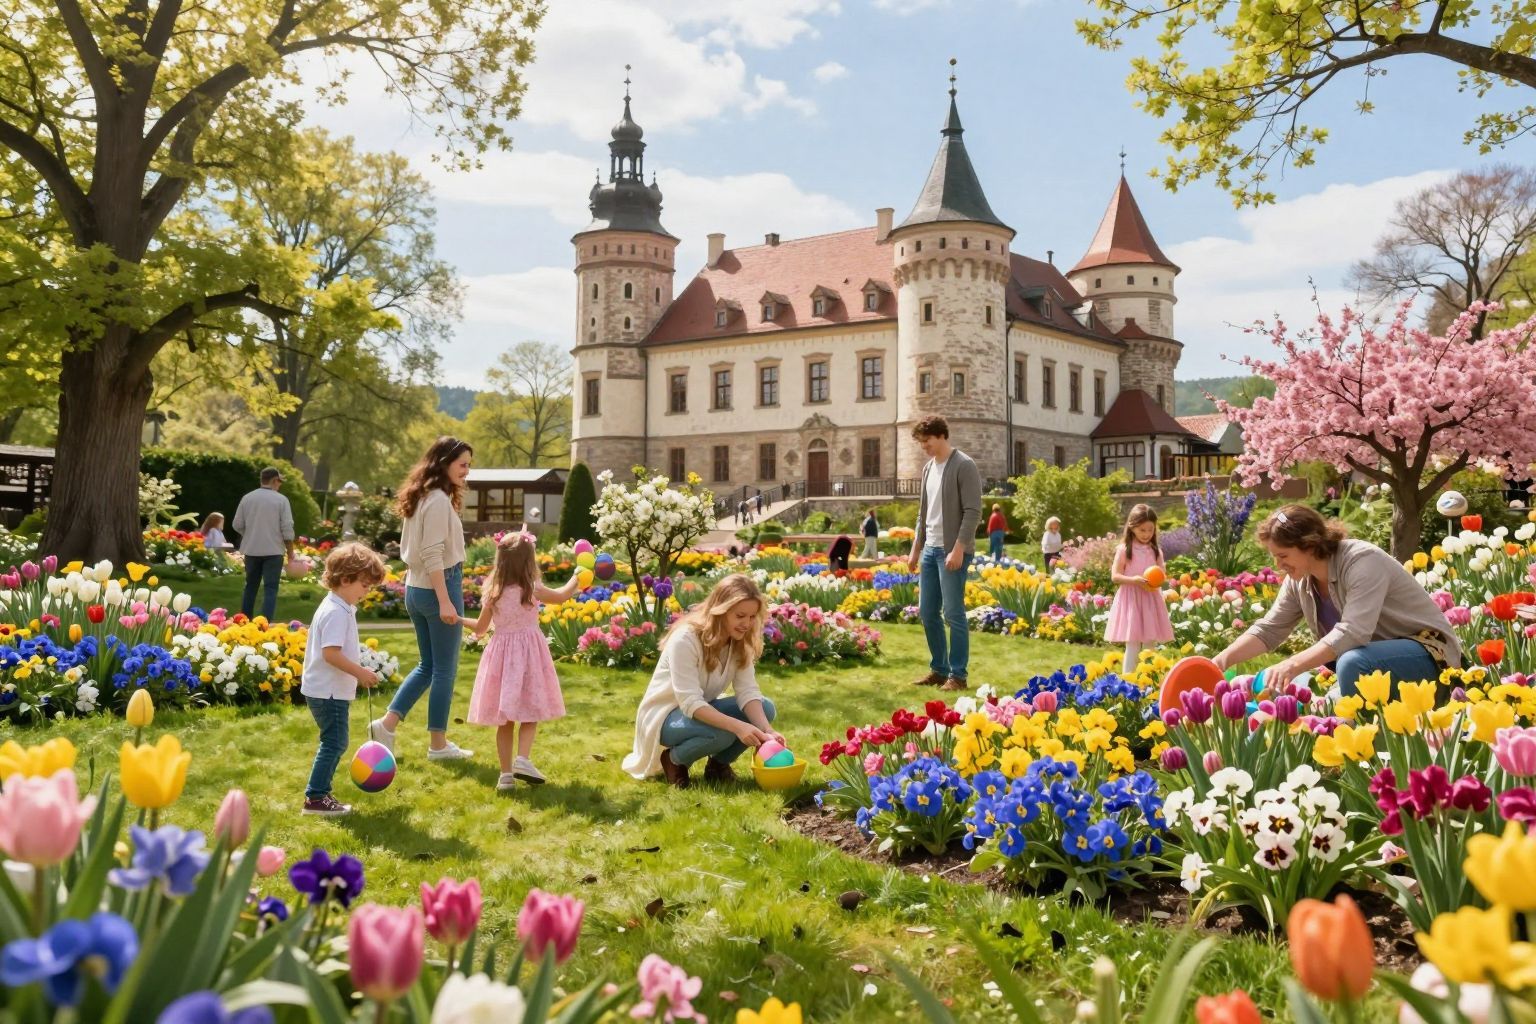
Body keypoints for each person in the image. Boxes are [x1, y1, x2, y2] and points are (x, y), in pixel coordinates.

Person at [1211, 504, 1461, 696]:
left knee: (1352, 662)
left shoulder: (1362, 562)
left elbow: (1353, 632)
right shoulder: (1300, 579)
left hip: (1430, 656)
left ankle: (1358, 735)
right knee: (1284, 684)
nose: (1278, 565)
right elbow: (1270, 629)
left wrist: (1293, 663)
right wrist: (1220, 661)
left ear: (1309, 546)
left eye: (1283, 555)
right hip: (1372, 661)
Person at [370, 436, 475, 762]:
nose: (466, 472)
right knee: (445, 670)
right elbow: (432, 554)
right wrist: (446, 601)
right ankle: (438, 745)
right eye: (463, 465)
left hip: (416, 589)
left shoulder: (422, 497)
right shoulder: (439, 500)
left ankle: (386, 726)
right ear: (443, 462)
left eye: (469, 466)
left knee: (428, 666)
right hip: (437, 588)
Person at [623, 573, 781, 788]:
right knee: (724, 733)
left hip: (699, 709)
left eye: (752, 617)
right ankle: (673, 760)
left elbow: (748, 691)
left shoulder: (739, 642)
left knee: (765, 708)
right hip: (664, 717)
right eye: (740, 615)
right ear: (721, 611)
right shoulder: (686, 639)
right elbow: (689, 702)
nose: (747, 623)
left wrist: (767, 731)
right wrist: (739, 727)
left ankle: (718, 766)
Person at [466, 531, 582, 792]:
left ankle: (506, 776)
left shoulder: (493, 593)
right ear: (529, 561)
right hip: (529, 654)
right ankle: (523, 760)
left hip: (502, 658)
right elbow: (563, 596)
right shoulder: (532, 589)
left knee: (505, 720)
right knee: (531, 709)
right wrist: (576, 577)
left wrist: (460, 620)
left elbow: (481, 628)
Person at [299, 543, 389, 816]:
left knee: (334, 741)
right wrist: (360, 672)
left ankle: (319, 795)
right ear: (345, 579)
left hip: (327, 688)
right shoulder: (336, 611)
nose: (366, 592)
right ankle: (315, 798)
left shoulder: (339, 605)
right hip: (328, 691)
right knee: (335, 742)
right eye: (364, 585)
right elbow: (331, 654)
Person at [907, 415, 981, 692]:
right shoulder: (928, 469)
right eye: (921, 442)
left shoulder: (964, 465)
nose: (923, 446)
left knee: (953, 613)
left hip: (952, 551)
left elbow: (973, 511)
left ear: (940, 436)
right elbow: (922, 514)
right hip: (929, 550)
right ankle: (939, 669)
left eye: (926, 441)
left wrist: (959, 549)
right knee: (928, 612)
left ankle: (958, 675)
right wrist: (915, 550)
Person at [1104, 504, 1174, 676]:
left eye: (1150, 530)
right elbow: (1115, 576)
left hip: (1150, 598)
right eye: (1142, 530)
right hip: (1131, 599)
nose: (1146, 534)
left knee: (1150, 641)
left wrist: (1157, 580)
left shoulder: (1155, 550)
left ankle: (1149, 677)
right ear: (1132, 527)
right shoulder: (1124, 550)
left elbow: (1161, 573)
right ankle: (1128, 679)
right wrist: (1133, 580)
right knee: (1133, 642)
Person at [232, 467, 296, 621]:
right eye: (279, 481)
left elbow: (237, 524)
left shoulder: (247, 498)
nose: (280, 484)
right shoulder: (281, 500)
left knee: (250, 587)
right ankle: (265, 623)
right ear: (274, 480)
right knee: (271, 589)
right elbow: (287, 529)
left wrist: (251, 533)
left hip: (252, 550)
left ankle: (244, 620)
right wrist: (290, 551)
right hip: (273, 551)